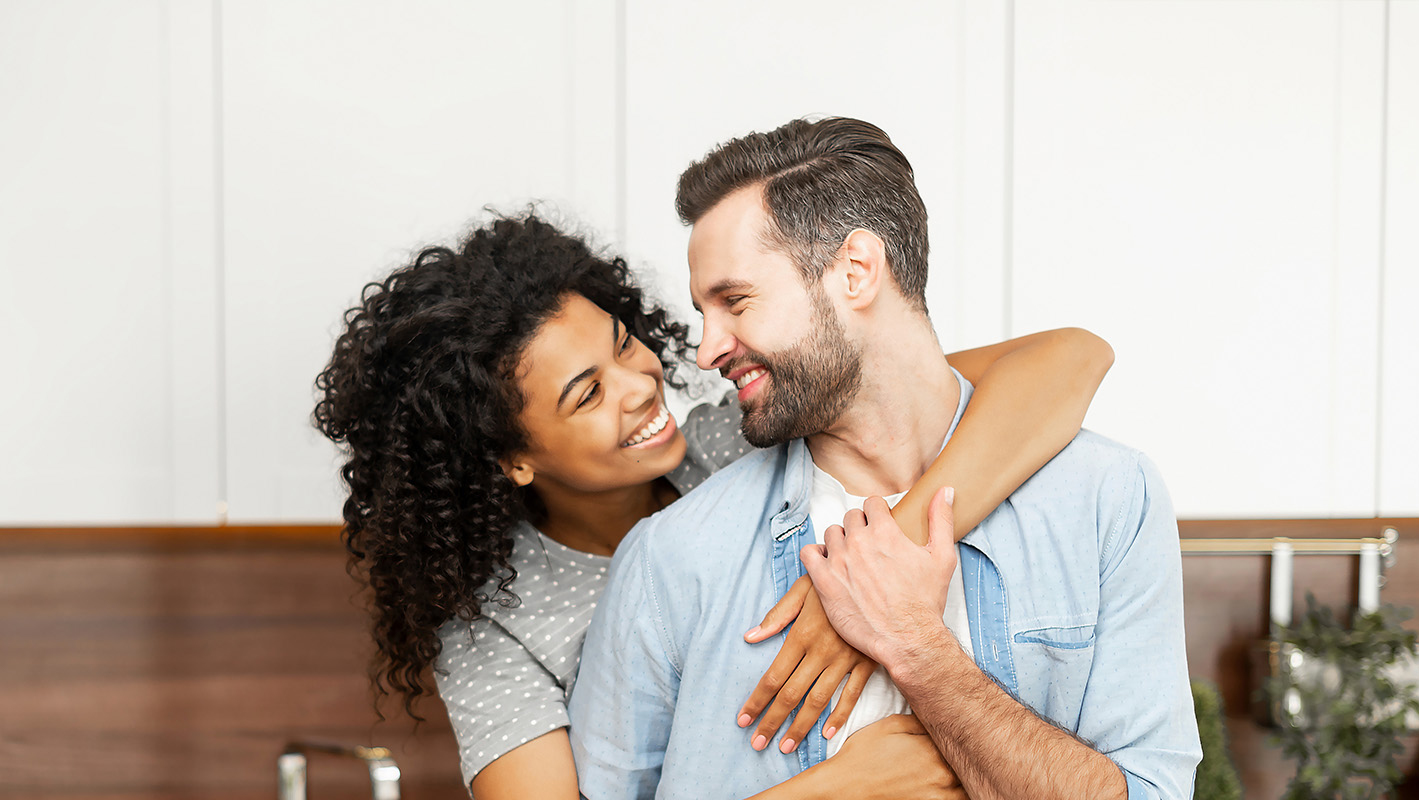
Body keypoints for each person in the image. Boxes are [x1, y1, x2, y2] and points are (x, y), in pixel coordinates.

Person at [313, 213, 1114, 800]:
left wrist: (876, 577)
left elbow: (1069, 358)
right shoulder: (494, 624)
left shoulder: (743, 436)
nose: (641, 388)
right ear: (510, 460)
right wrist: (843, 790)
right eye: (588, 393)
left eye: (624, 344)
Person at [567, 117, 1201, 800]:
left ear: (856, 271)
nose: (707, 349)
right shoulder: (672, 558)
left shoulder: (1108, 500)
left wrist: (918, 651)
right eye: (702, 312)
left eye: (736, 302)